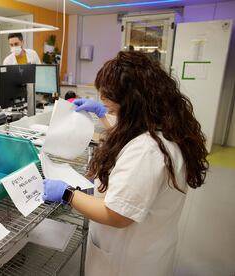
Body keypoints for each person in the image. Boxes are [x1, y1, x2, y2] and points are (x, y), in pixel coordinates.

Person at [43, 51, 209, 275]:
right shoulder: (164, 128)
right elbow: (129, 134)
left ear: (134, 105)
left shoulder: (146, 151)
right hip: (148, 248)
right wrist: (102, 113)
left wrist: (68, 194)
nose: (110, 113)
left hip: (127, 262)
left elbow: (116, 215)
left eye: (113, 108)